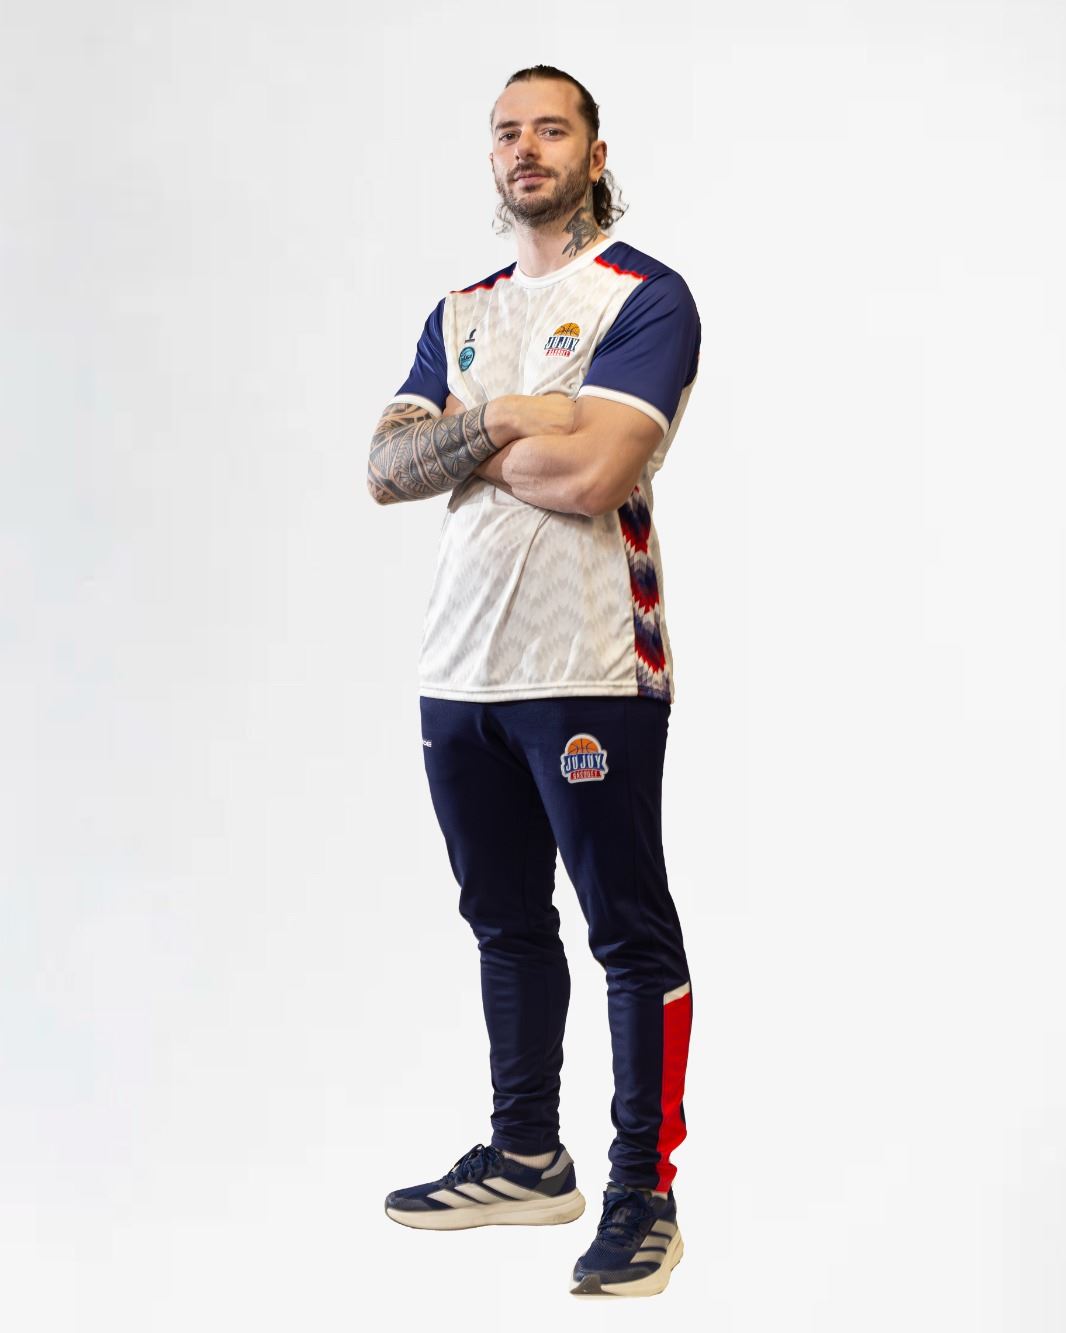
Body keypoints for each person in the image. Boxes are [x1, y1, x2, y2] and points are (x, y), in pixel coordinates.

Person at [367, 64, 700, 1298]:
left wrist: (462, 442)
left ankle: (642, 1192)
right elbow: (382, 468)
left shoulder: (643, 296)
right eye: (507, 132)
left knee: (625, 930)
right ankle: (524, 1156)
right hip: (460, 669)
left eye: (550, 128)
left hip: (590, 664)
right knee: (501, 919)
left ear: (593, 152)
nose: (526, 148)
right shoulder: (459, 313)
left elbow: (596, 474)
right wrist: (513, 415)